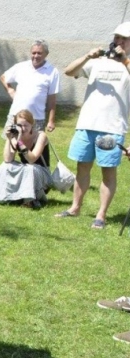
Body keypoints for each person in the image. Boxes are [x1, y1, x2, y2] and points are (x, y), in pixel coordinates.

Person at [56, 23, 130, 229]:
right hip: (87, 123)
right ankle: (75, 207)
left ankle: (101, 215)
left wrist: (124, 59)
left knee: (108, 171)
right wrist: (88, 56)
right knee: (82, 167)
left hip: (112, 127)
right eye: (117, 38)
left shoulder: (127, 64)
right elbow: (69, 71)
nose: (119, 42)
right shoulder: (98, 62)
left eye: (124, 39)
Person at [0, 110, 51, 208]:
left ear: (32, 124)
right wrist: (9, 139)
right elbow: (7, 159)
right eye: (19, 125)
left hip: (41, 174)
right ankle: (3, 197)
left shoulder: (41, 136)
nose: (22, 129)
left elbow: (32, 159)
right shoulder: (15, 135)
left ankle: (30, 200)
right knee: (4, 167)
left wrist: (19, 143)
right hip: (26, 169)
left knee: (30, 169)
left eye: (25, 125)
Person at [0, 40, 60, 134]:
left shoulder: (53, 72)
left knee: (34, 147)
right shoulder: (21, 67)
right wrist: (10, 90)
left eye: (39, 53)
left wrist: (51, 121)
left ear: (46, 54)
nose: (36, 56)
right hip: (15, 116)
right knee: (11, 144)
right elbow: (3, 77)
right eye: (34, 53)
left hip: (37, 118)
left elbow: (52, 99)